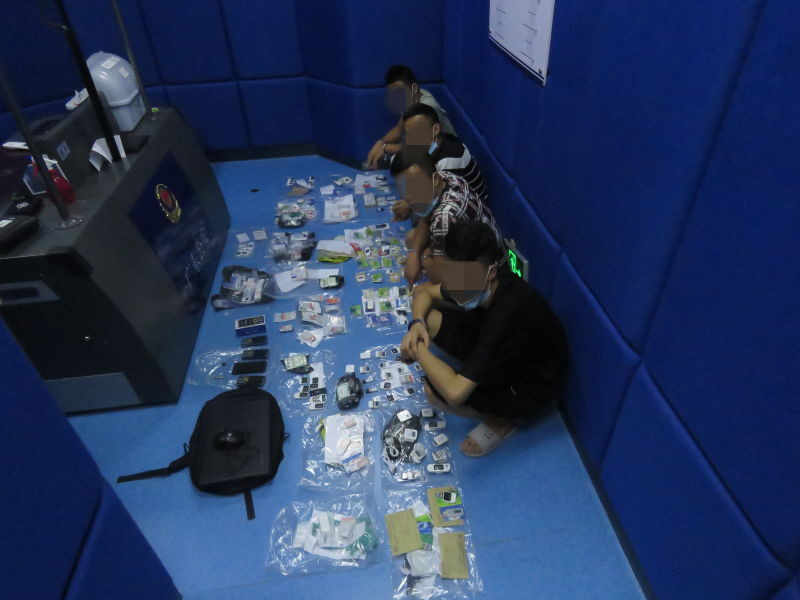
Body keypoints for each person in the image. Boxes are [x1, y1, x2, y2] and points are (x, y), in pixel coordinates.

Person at [400, 221, 568, 457]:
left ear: (490, 272)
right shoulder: (477, 279)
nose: (454, 284)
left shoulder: (506, 313)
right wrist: (416, 324)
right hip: (507, 347)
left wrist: (417, 350)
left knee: (434, 393)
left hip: (532, 383)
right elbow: (423, 292)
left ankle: (503, 420)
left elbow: (455, 393)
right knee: (429, 320)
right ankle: (475, 373)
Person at [397, 150, 500, 284]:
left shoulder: (444, 217)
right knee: (413, 240)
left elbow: (439, 277)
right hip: (475, 238)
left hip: (485, 266)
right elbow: (426, 217)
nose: (408, 197)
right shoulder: (444, 177)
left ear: (435, 180)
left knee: (427, 262)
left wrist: (422, 258)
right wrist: (415, 254)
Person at [390, 103, 488, 221]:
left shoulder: (448, 160)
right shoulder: (434, 143)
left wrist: (409, 205)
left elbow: (438, 199)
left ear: (435, 129)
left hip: (468, 211)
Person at [365, 65, 456, 169]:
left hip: (445, 153)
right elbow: (399, 129)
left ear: (414, 88)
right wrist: (381, 142)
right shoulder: (412, 99)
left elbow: (420, 148)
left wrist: (385, 148)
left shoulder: (427, 107)